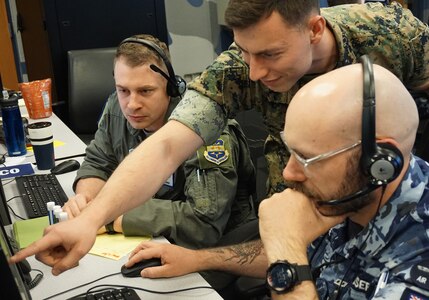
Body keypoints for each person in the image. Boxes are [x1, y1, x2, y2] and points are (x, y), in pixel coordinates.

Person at [10, 0, 429, 277]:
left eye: (269, 54)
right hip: (319, 189)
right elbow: (169, 144)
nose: (254, 73)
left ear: (315, 29)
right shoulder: (238, 69)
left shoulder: (392, 34)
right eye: (244, 52)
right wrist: (87, 221)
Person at [123, 60, 429, 299]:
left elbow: (291, 251)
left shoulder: (418, 260)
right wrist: (197, 259)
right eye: (290, 153)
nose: (289, 173)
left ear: (380, 162)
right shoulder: (349, 194)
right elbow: (306, 252)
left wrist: (286, 248)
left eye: (308, 158)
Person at [61, 33, 257, 250]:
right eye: (123, 90)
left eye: (145, 91)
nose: (132, 104)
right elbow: (98, 162)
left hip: (219, 250)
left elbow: (203, 223)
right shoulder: (117, 107)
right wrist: (85, 202)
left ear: (171, 88)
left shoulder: (206, 128)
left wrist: (108, 217)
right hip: (154, 238)